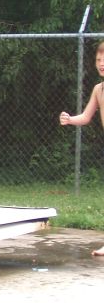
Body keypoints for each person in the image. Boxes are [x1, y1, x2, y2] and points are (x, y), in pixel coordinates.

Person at [59, 40, 104, 256]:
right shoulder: (98, 90)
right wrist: (70, 119)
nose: (101, 63)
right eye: (98, 60)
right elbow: (86, 117)